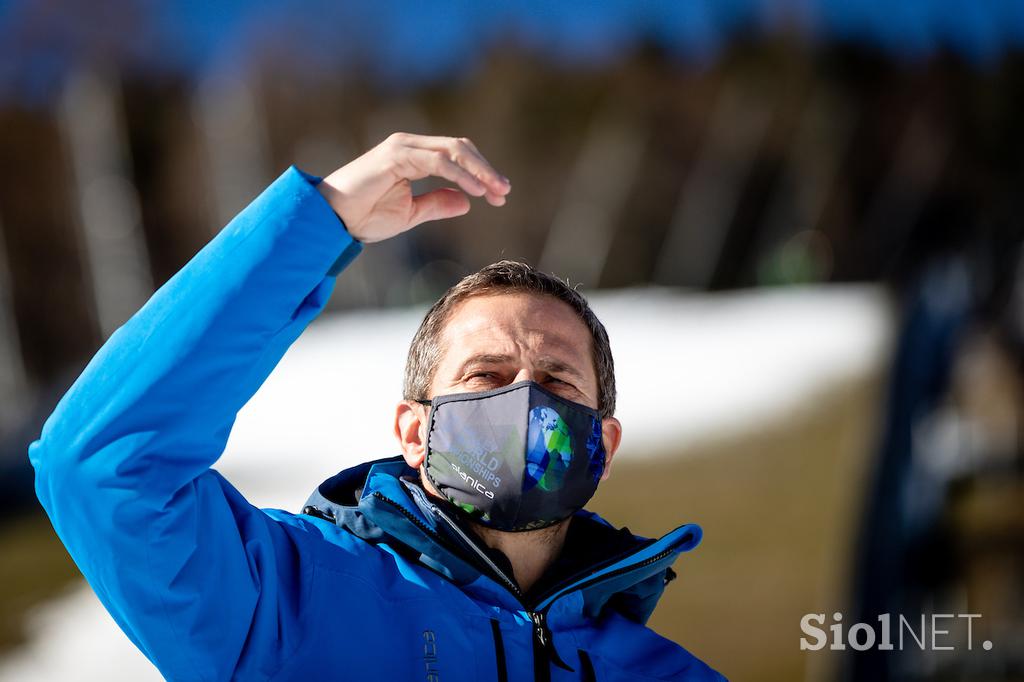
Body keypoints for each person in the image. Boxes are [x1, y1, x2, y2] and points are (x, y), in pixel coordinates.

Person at [30, 133, 725, 681]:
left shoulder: (667, 673)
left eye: (557, 380)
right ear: (414, 432)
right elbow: (104, 465)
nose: (524, 399)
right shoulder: (285, 603)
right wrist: (320, 223)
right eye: (486, 375)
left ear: (603, 444)